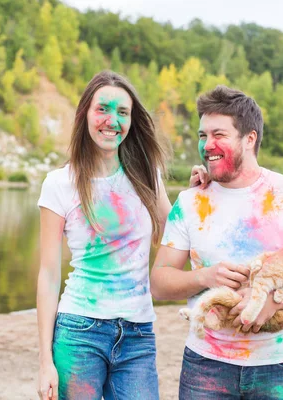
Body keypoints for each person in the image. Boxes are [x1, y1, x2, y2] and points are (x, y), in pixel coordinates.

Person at [150, 85, 283, 400]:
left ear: (249, 139)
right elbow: (159, 283)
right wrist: (204, 277)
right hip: (206, 365)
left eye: (219, 135)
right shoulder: (188, 202)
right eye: (202, 136)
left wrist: (273, 303)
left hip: (280, 365)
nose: (207, 145)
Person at [36, 70, 206, 400]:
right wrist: (45, 361)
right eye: (103, 109)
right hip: (79, 331)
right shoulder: (59, 184)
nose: (112, 120)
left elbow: (173, 238)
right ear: (85, 113)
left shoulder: (146, 175)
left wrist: (194, 194)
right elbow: (48, 274)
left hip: (137, 333)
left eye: (122, 113)